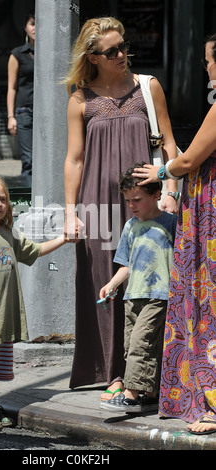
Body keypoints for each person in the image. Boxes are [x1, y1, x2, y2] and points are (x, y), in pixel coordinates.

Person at [63, 16, 178, 397]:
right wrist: (69, 211)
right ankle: (112, 372)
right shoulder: (81, 97)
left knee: (147, 285)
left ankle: (143, 374)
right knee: (105, 283)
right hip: (95, 202)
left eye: (123, 46)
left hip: (143, 201)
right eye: (112, 50)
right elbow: (75, 159)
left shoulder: (148, 87)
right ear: (93, 56)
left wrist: (170, 191)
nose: (122, 54)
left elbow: (169, 146)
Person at [132, 34, 216, 434]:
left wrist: (160, 172)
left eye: (207, 62)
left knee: (206, 298)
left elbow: (188, 159)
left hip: (210, 213)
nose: (207, 70)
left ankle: (208, 400)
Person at [0, 175, 78, 430]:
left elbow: (34, 251)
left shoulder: (7, 233)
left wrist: (64, 239)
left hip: (4, 314)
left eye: (2, 199)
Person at [99, 164, 177, 413]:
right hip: (133, 295)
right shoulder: (130, 227)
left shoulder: (171, 223)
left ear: (156, 195)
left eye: (137, 199)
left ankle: (130, 394)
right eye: (128, 201)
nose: (132, 205)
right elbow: (126, 265)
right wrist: (112, 284)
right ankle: (151, 393)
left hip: (159, 295)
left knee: (141, 343)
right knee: (132, 345)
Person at [7, 11, 35, 187]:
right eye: (32, 23)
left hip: (49, 113)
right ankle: (32, 200)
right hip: (25, 111)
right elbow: (11, 87)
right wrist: (11, 116)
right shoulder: (17, 54)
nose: (36, 28)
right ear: (25, 27)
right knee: (29, 159)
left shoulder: (54, 55)